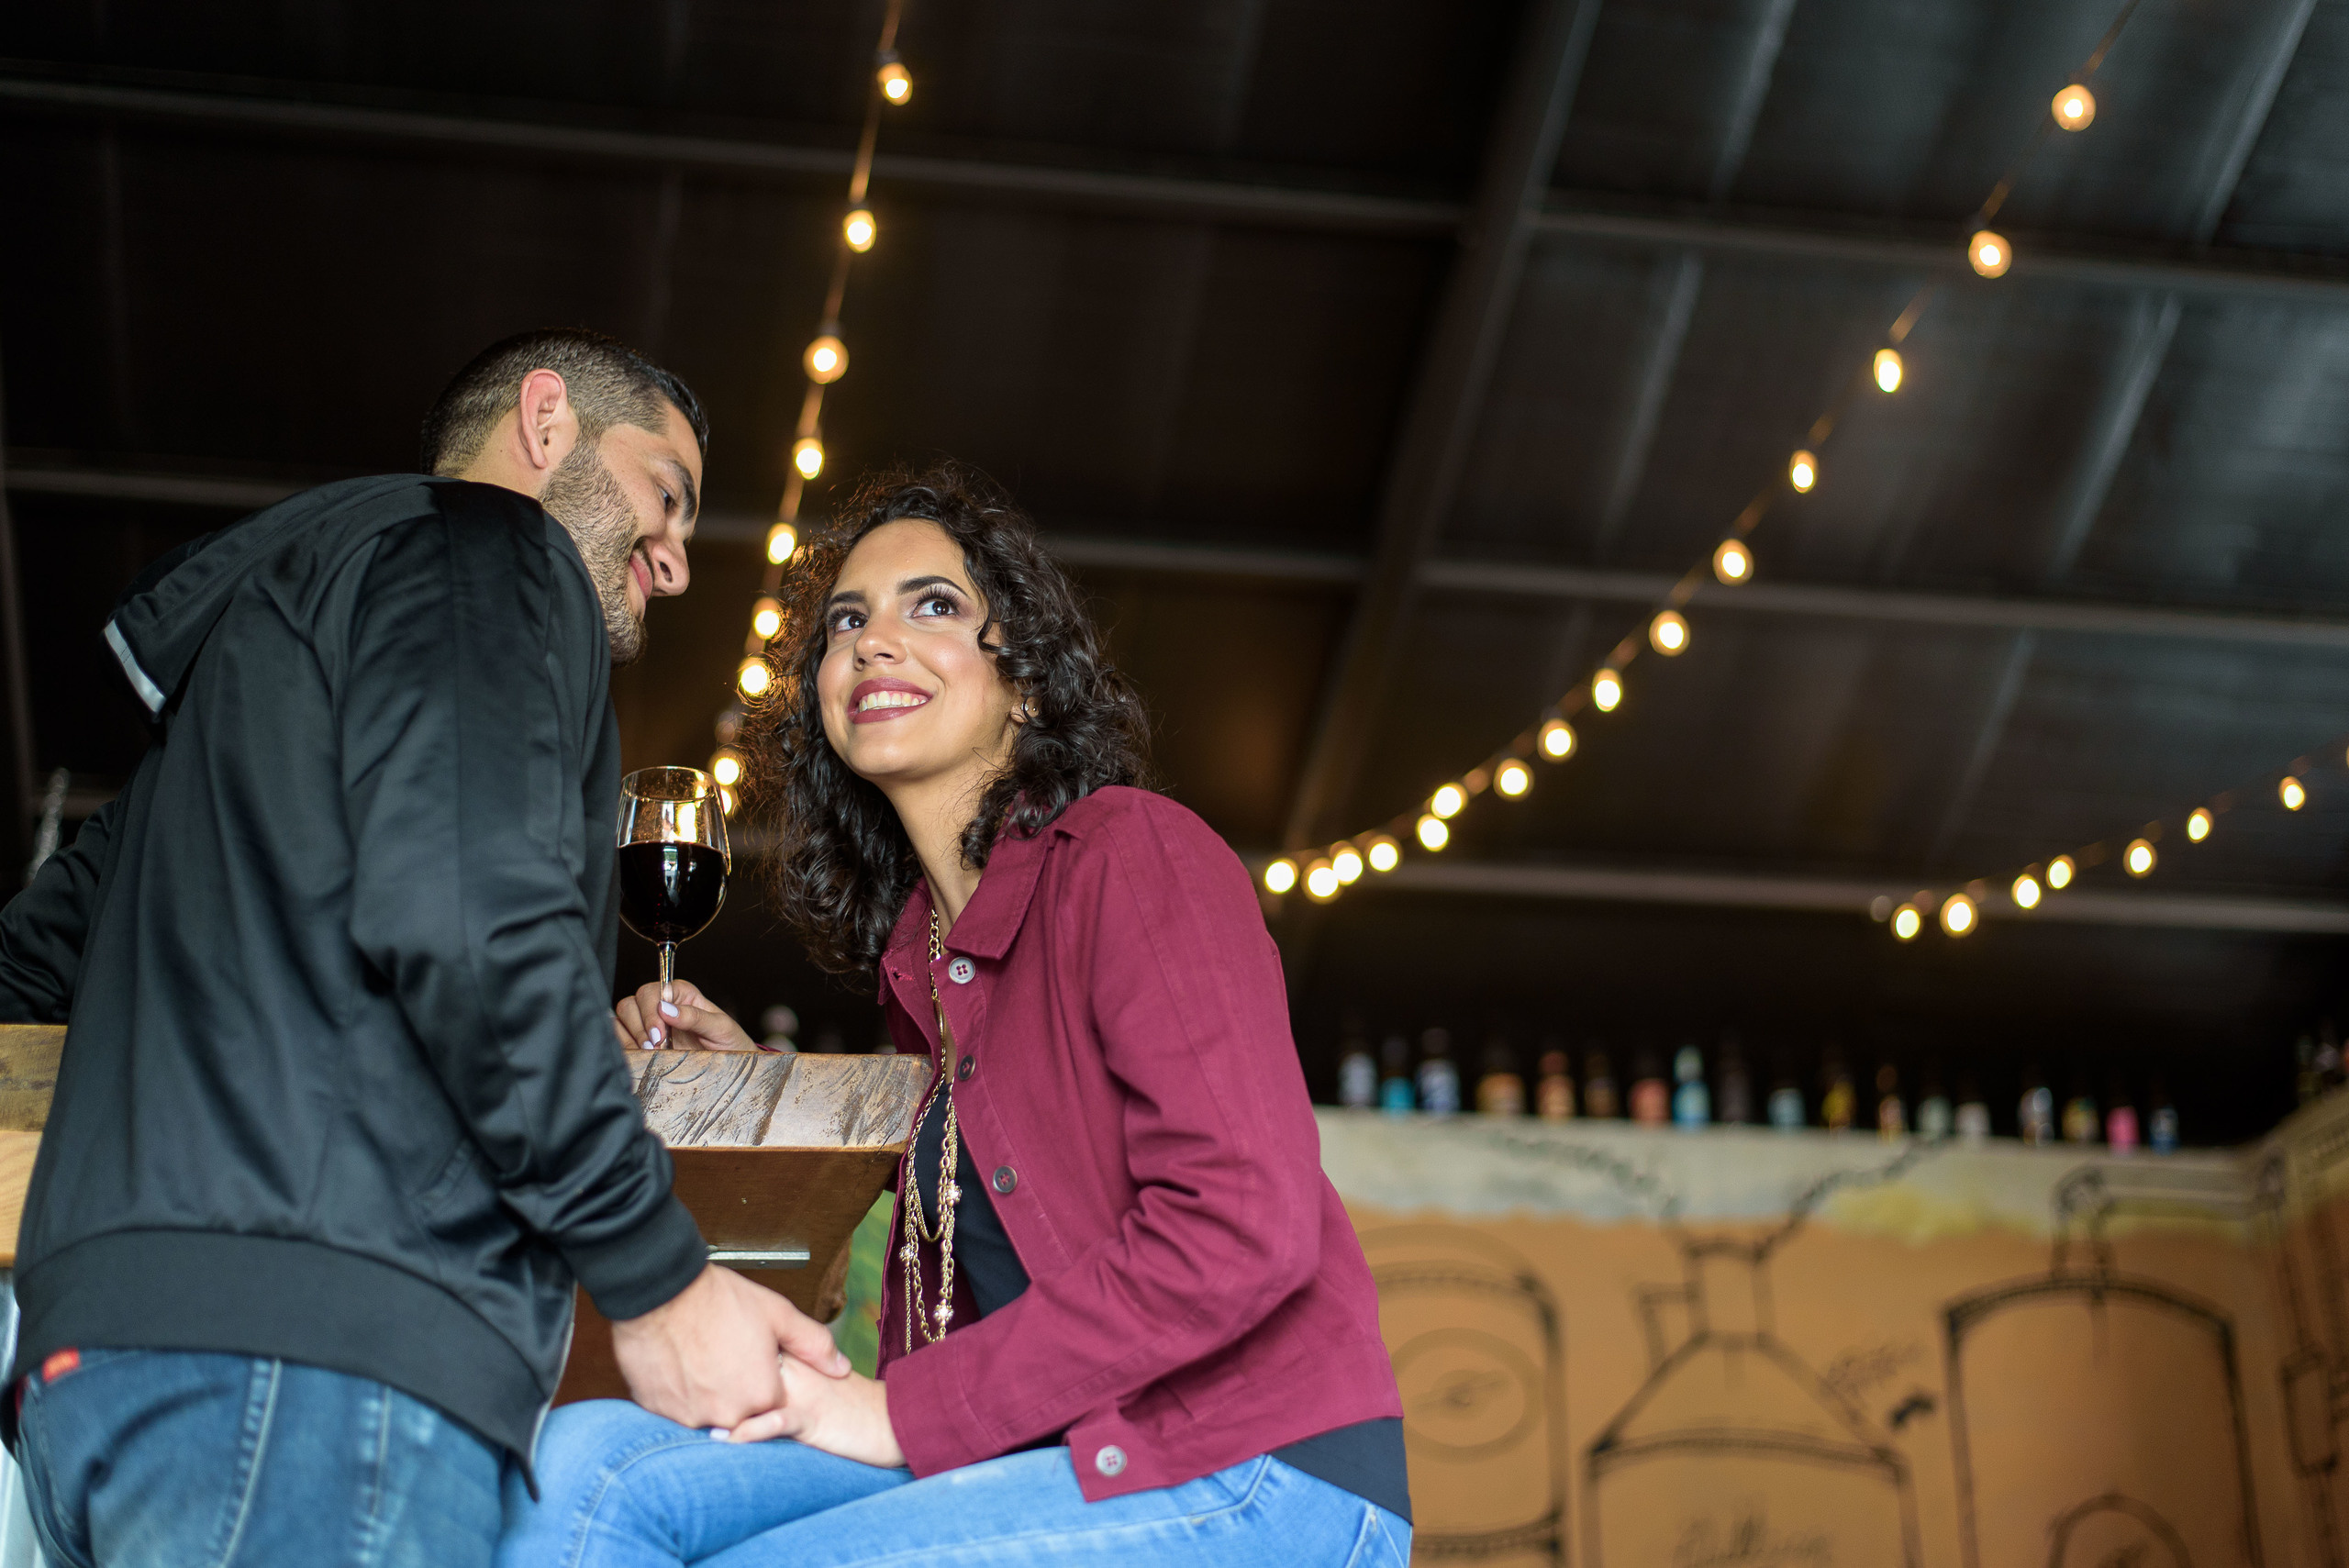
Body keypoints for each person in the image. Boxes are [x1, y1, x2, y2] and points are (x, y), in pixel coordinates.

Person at [0, 329, 848, 1568]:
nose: (672, 562)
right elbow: (474, 919)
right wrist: (659, 1277)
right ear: (546, 421)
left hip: (97, 1392)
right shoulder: (494, 554)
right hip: (316, 1381)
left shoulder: (250, 680)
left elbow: (28, 962)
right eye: (666, 497)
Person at [503, 463, 1411, 1567]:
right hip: (1037, 1455)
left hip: (1247, 1463)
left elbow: (1241, 1224)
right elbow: (961, 1197)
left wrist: (896, 1413)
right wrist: (762, 1098)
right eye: (848, 620)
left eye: (932, 604)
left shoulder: (1130, 855)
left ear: (1024, 677)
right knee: (586, 1465)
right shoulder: (922, 968)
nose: (875, 640)